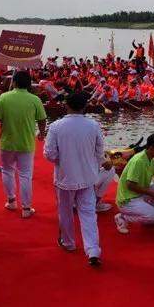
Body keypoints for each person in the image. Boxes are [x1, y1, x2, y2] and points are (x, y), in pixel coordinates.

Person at [44, 92, 109, 266]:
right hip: (87, 176)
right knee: (88, 214)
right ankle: (93, 250)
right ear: (85, 106)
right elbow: (99, 152)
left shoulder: (56, 126)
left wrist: (62, 159)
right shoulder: (93, 125)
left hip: (65, 176)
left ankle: (68, 242)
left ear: (66, 105)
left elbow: (49, 154)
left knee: (65, 212)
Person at [0, 70, 47, 218]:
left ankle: (11, 201)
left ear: (14, 82)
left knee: (7, 171)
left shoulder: (4, 97)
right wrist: (42, 133)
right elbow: (42, 119)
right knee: (25, 175)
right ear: (29, 84)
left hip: (7, 142)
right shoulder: (35, 99)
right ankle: (26, 209)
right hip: (26, 143)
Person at [114, 132, 154, 234]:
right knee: (151, 215)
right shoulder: (138, 161)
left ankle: (151, 218)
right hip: (127, 199)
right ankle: (123, 218)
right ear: (152, 147)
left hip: (139, 193)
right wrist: (153, 194)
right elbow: (130, 184)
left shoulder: (150, 159)